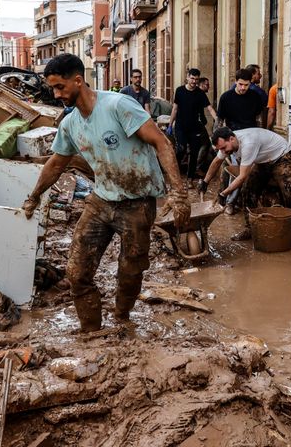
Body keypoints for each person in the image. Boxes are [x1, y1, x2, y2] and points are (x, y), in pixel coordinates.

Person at [21, 54, 190, 331]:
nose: (56, 94)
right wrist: (34, 195)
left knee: (130, 271)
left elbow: (161, 142)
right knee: (76, 272)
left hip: (137, 204)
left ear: (78, 80)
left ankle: (122, 318)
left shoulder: (118, 105)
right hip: (100, 201)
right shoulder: (70, 123)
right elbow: (56, 163)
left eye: (60, 87)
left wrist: (179, 194)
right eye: (53, 88)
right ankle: (91, 331)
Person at [199, 126, 291, 246]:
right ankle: (250, 228)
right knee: (247, 190)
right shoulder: (226, 142)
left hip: (281, 157)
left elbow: (241, 177)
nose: (224, 152)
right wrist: (205, 182)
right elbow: (216, 161)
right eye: (221, 149)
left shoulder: (248, 143)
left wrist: (223, 193)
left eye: (225, 148)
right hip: (263, 161)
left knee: (290, 193)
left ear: (231, 139)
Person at [217, 68, 265, 213]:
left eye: (246, 85)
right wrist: (217, 141)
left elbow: (258, 119)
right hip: (232, 140)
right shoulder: (226, 97)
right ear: (235, 82)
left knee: (246, 173)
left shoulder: (255, 97)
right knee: (235, 171)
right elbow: (220, 121)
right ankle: (230, 203)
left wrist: (261, 133)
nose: (243, 88)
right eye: (240, 84)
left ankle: (239, 202)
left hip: (251, 140)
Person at [170, 68, 218, 182]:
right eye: (192, 78)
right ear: (187, 77)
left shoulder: (200, 93)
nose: (194, 81)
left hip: (195, 127)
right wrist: (170, 125)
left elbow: (209, 108)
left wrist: (217, 119)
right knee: (181, 149)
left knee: (194, 152)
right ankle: (174, 171)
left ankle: (190, 178)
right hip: (181, 126)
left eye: (196, 79)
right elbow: (175, 108)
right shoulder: (180, 90)